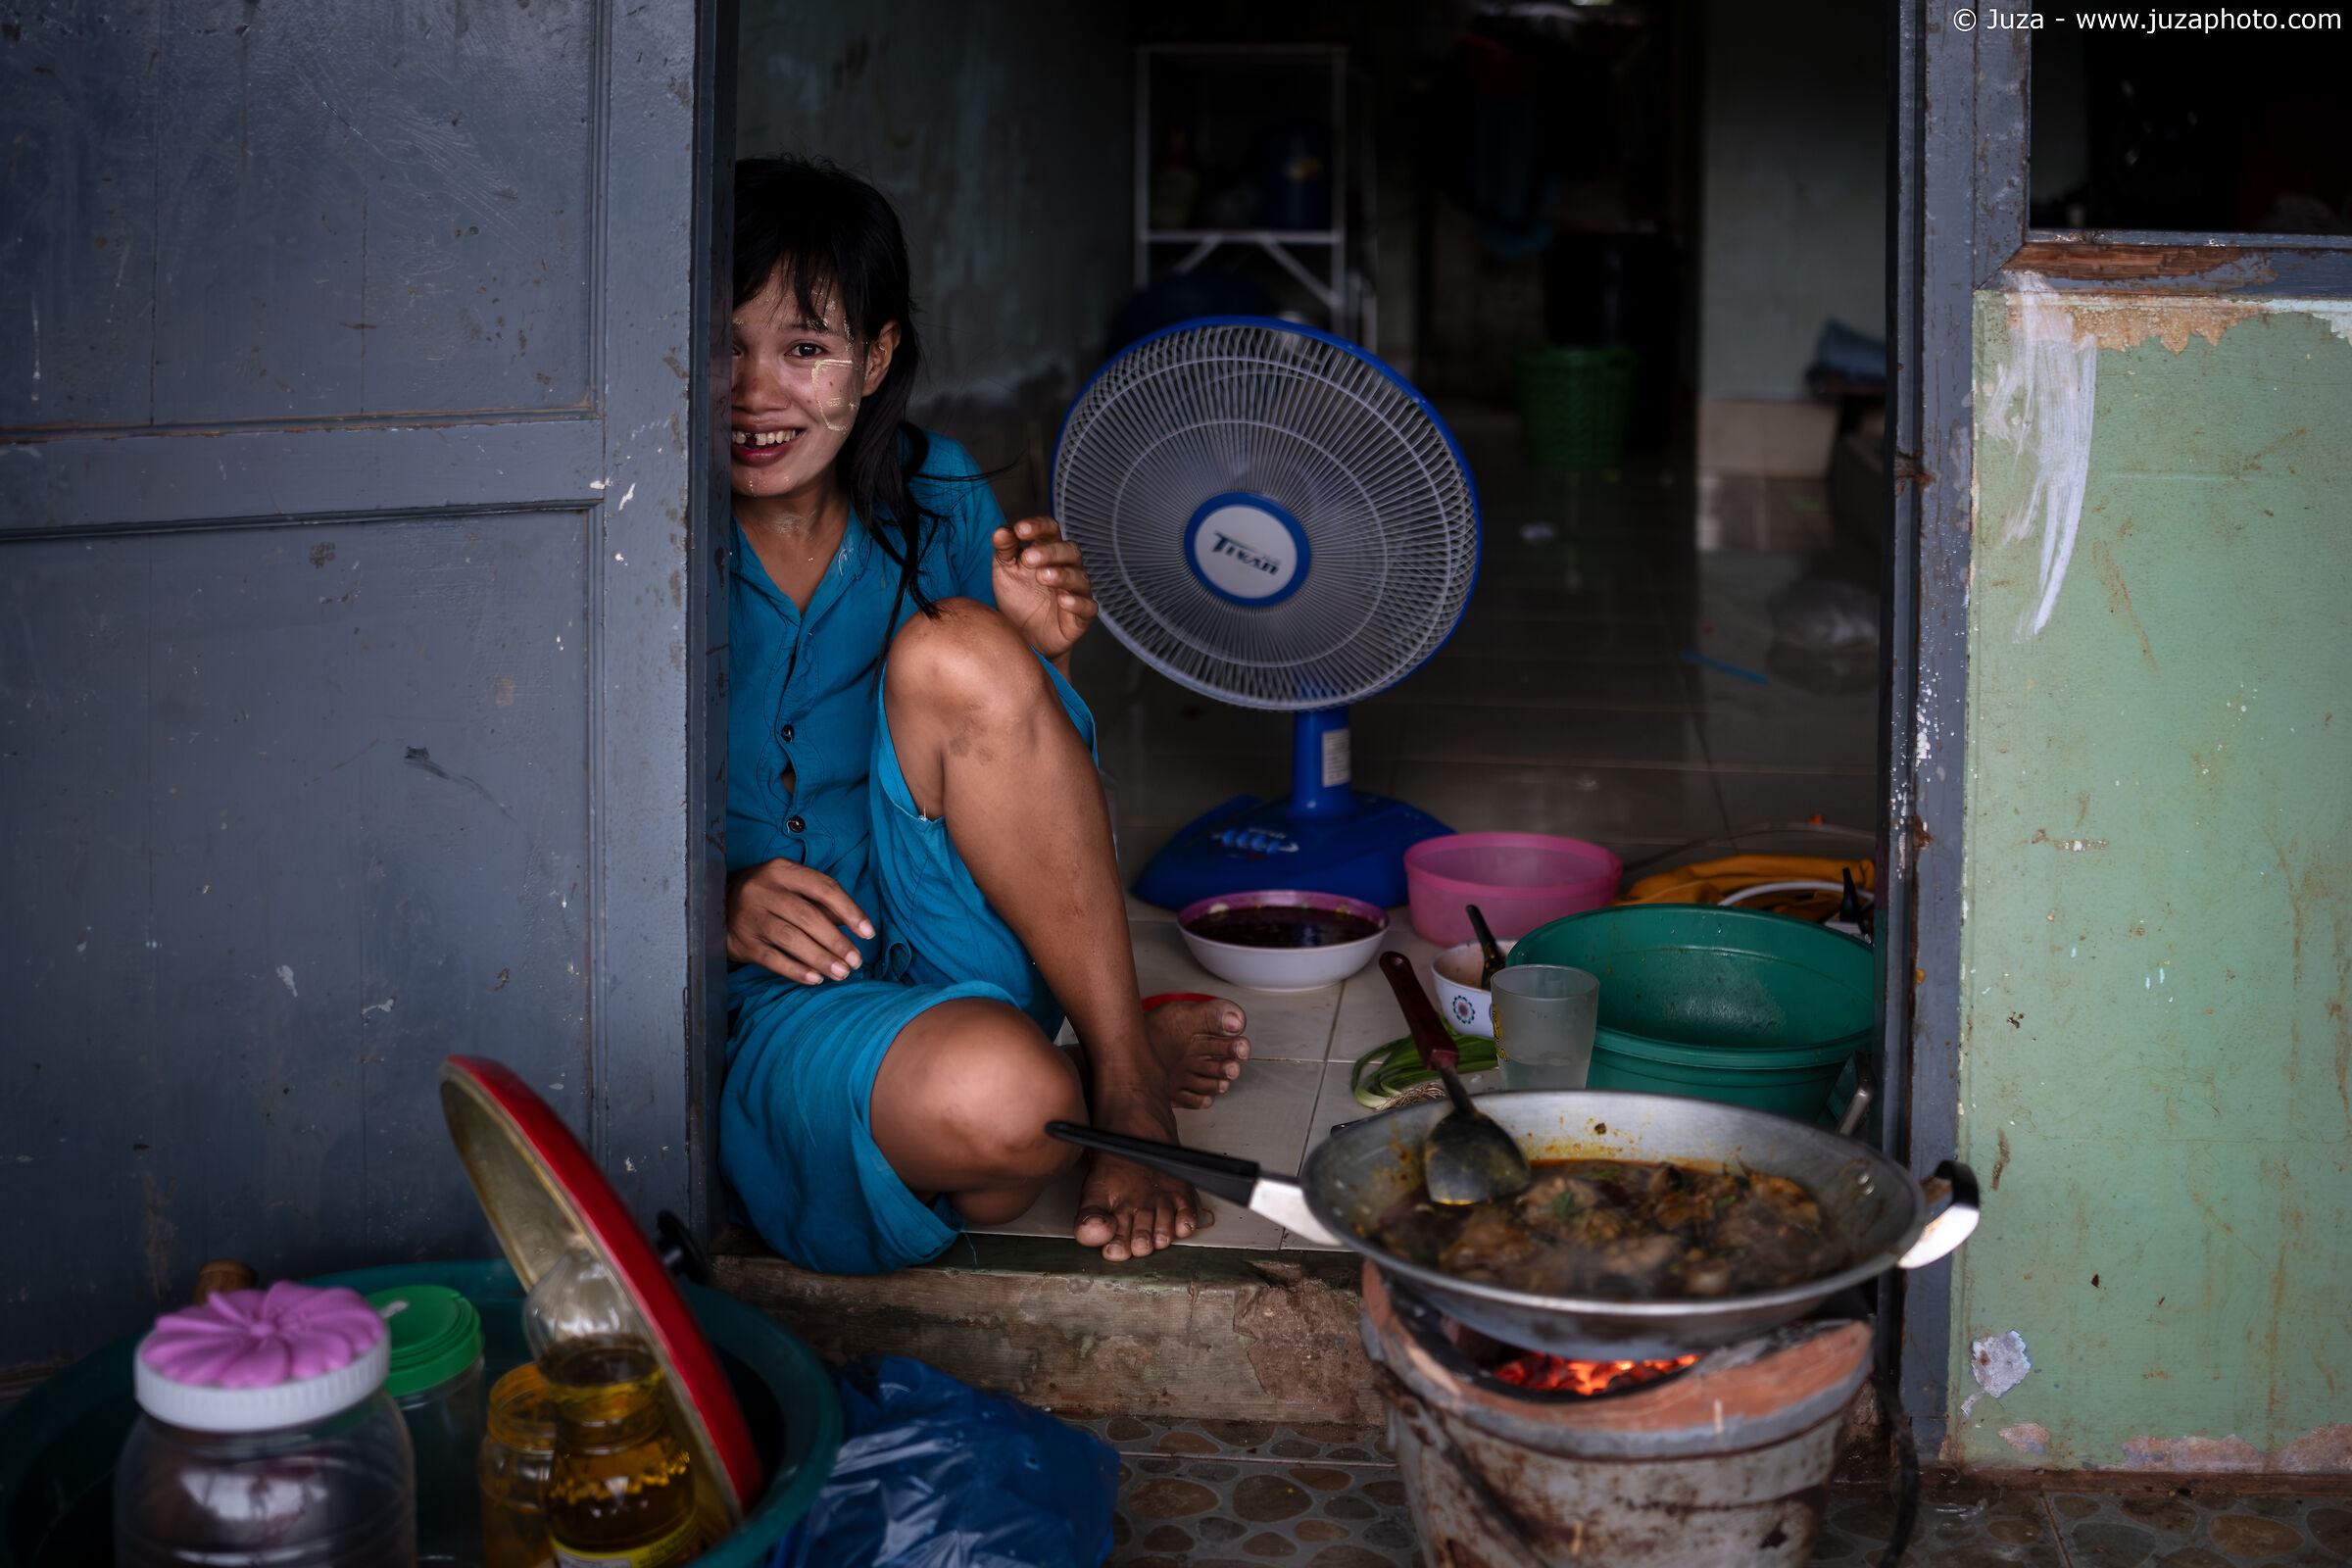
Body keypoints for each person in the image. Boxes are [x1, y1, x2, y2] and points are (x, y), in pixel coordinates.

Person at [717, 157, 1250, 1272]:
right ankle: (1074, 1058)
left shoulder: (940, 492)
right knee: (1013, 1116)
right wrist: (710, 901)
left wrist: (1033, 660)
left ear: (876, 358)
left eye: (805, 348)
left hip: (946, 923)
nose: (756, 392)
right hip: (781, 993)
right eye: (726, 346)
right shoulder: (631, 525)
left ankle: (1126, 1080)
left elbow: (1024, 795)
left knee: (961, 646)